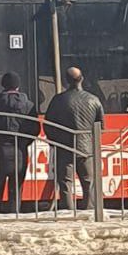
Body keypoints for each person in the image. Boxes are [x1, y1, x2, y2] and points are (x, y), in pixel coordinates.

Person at [0, 72, 40, 213]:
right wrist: (24, 143)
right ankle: (14, 215)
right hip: (20, 151)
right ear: (18, 86)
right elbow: (34, 128)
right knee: (16, 189)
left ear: (2, 85)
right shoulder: (28, 105)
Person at [44, 66, 105, 210]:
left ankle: (68, 212)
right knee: (88, 182)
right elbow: (100, 126)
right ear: (82, 79)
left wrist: (54, 142)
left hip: (64, 147)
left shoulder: (58, 100)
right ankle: (91, 211)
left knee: (65, 183)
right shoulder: (94, 100)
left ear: (66, 81)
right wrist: (91, 141)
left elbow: (48, 124)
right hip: (86, 149)